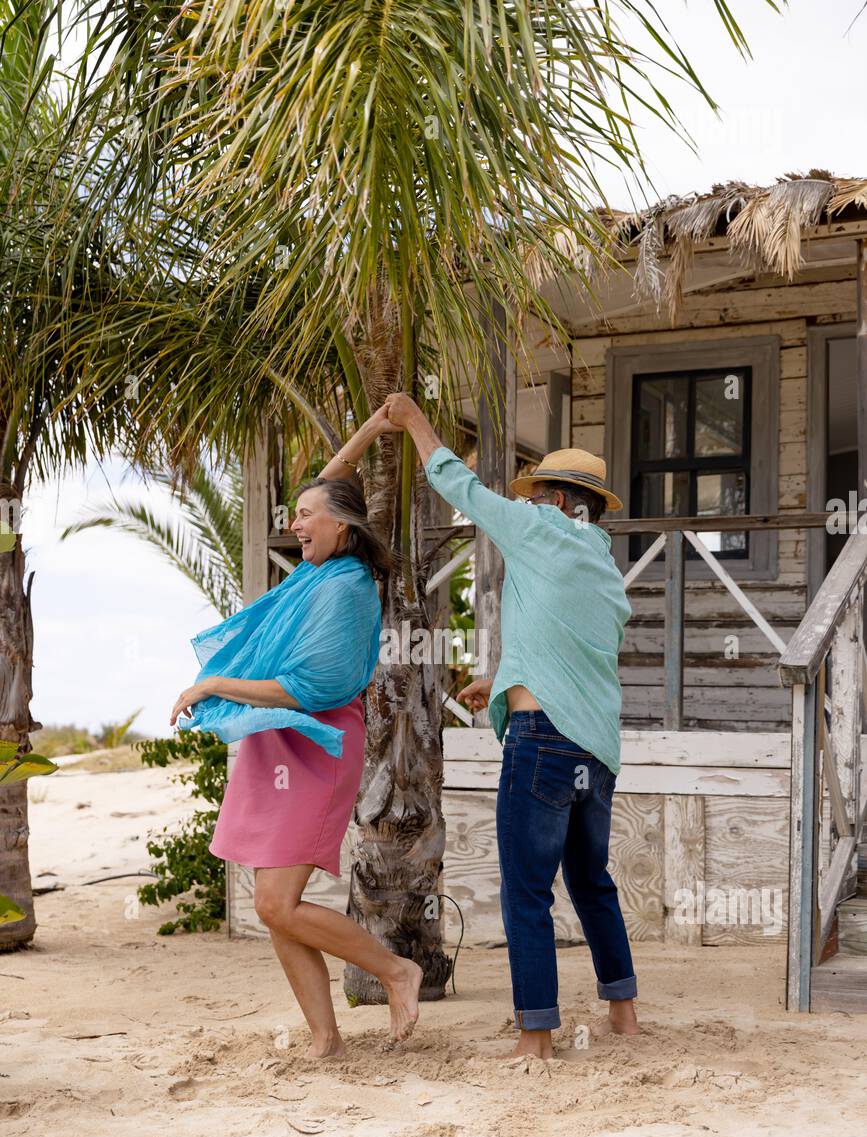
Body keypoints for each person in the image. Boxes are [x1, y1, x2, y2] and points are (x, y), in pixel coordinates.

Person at [382, 391, 638, 1061]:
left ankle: (535, 1040)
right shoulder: (606, 573)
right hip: (597, 751)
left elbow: (458, 483)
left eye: (534, 496)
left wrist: (413, 419)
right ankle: (623, 1014)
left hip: (543, 744)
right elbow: (571, 650)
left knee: (525, 893)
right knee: (591, 882)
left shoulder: (538, 529)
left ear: (555, 501)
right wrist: (502, 680)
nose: (523, 505)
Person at [169, 405, 423, 1056]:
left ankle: (395, 971)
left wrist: (213, 684)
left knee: (277, 905)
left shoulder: (344, 589)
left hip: (315, 743)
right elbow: (330, 485)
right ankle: (324, 1039)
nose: (293, 524)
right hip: (276, 739)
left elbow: (312, 691)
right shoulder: (319, 568)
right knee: (271, 905)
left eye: (304, 516)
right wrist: (369, 431)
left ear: (340, 525)